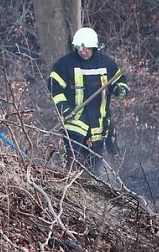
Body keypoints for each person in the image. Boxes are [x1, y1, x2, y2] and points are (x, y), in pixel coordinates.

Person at [47, 27, 129, 174]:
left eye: (87, 49)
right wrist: (64, 108)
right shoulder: (65, 64)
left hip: (98, 124)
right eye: (80, 48)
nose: (83, 52)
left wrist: (120, 89)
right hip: (75, 124)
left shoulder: (106, 63)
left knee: (95, 166)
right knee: (71, 163)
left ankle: (92, 189)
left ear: (94, 48)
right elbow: (54, 87)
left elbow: (119, 80)